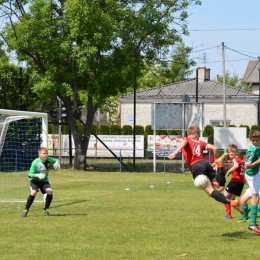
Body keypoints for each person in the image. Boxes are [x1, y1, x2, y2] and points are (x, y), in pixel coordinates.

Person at [168, 125, 238, 207]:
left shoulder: (186, 139)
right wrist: (216, 161)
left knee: (210, 191)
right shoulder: (201, 143)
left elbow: (184, 142)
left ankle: (231, 202)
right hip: (205, 164)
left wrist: (175, 152)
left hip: (196, 166)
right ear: (197, 134)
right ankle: (220, 167)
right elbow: (215, 148)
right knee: (219, 188)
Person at [21, 147, 60, 217]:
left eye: (47, 153)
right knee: (34, 192)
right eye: (44, 153)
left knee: (50, 191)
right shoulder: (35, 162)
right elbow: (30, 174)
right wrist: (37, 175)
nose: (46, 155)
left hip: (44, 181)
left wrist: (57, 162)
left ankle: (46, 210)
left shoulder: (48, 160)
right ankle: (26, 210)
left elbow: (57, 160)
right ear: (39, 154)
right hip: (35, 180)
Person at [240, 130, 260, 233]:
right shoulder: (251, 151)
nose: (255, 142)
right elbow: (247, 166)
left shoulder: (258, 146)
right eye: (253, 140)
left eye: (257, 140)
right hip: (252, 175)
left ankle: (248, 213)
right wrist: (258, 161)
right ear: (250, 140)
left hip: (257, 172)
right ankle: (252, 224)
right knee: (256, 197)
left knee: (254, 196)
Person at [222, 144, 245, 219]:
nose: (231, 153)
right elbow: (242, 169)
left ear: (236, 152)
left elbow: (236, 166)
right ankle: (244, 210)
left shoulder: (235, 159)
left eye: (233, 152)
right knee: (231, 199)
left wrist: (228, 171)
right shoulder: (239, 159)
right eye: (230, 152)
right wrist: (244, 180)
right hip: (240, 182)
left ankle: (228, 215)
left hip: (235, 181)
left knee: (224, 197)